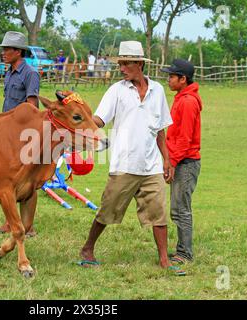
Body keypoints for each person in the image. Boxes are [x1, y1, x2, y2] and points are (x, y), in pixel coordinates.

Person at [78, 41, 185, 276]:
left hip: (152, 165)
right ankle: (87, 249)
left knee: (159, 213)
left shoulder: (157, 91)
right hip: (124, 163)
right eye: (121, 63)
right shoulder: (117, 90)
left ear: (139, 64)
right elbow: (99, 120)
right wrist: (80, 119)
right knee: (107, 210)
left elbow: (160, 130)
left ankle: (164, 260)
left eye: (126, 63)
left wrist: (166, 160)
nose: (122, 68)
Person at [0, 31, 40, 236]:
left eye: (7, 49)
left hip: (23, 133)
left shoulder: (30, 73)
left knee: (28, 182)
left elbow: (31, 106)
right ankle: (11, 221)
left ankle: (28, 226)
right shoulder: (9, 72)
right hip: (7, 131)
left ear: (18, 52)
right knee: (8, 179)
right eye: (3, 49)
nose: (3, 53)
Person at [161, 59, 202, 264]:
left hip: (186, 162)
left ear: (182, 79)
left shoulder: (187, 102)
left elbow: (185, 138)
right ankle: (181, 250)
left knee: (181, 209)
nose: (168, 80)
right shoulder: (182, 98)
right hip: (181, 160)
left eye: (171, 76)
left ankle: (185, 253)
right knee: (177, 208)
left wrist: (172, 162)